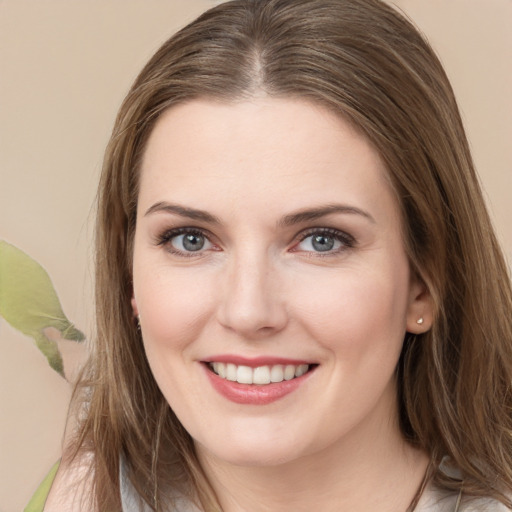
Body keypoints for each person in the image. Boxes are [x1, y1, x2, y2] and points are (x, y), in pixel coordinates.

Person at [37, 0, 512, 510]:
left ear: (424, 281)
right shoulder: (91, 488)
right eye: (190, 239)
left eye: (321, 240)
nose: (247, 312)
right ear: (130, 276)